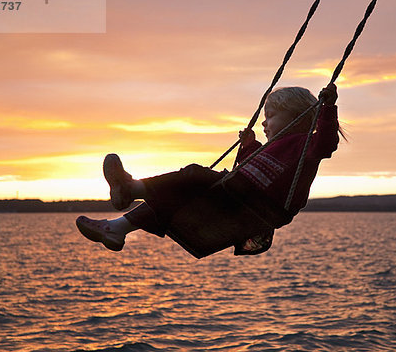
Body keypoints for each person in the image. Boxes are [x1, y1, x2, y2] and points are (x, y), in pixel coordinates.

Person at [76, 84, 340, 255]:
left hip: (260, 203)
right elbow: (251, 166)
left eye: (270, 116)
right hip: (240, 196)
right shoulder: (268, 149)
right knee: (175, 201)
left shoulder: (306, 144)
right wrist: (249, 145)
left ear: (297, 116)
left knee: (193, 175)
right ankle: (117, 229)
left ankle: (132, 188)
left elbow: (327, 143)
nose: (264, 123)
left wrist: (328, 108)